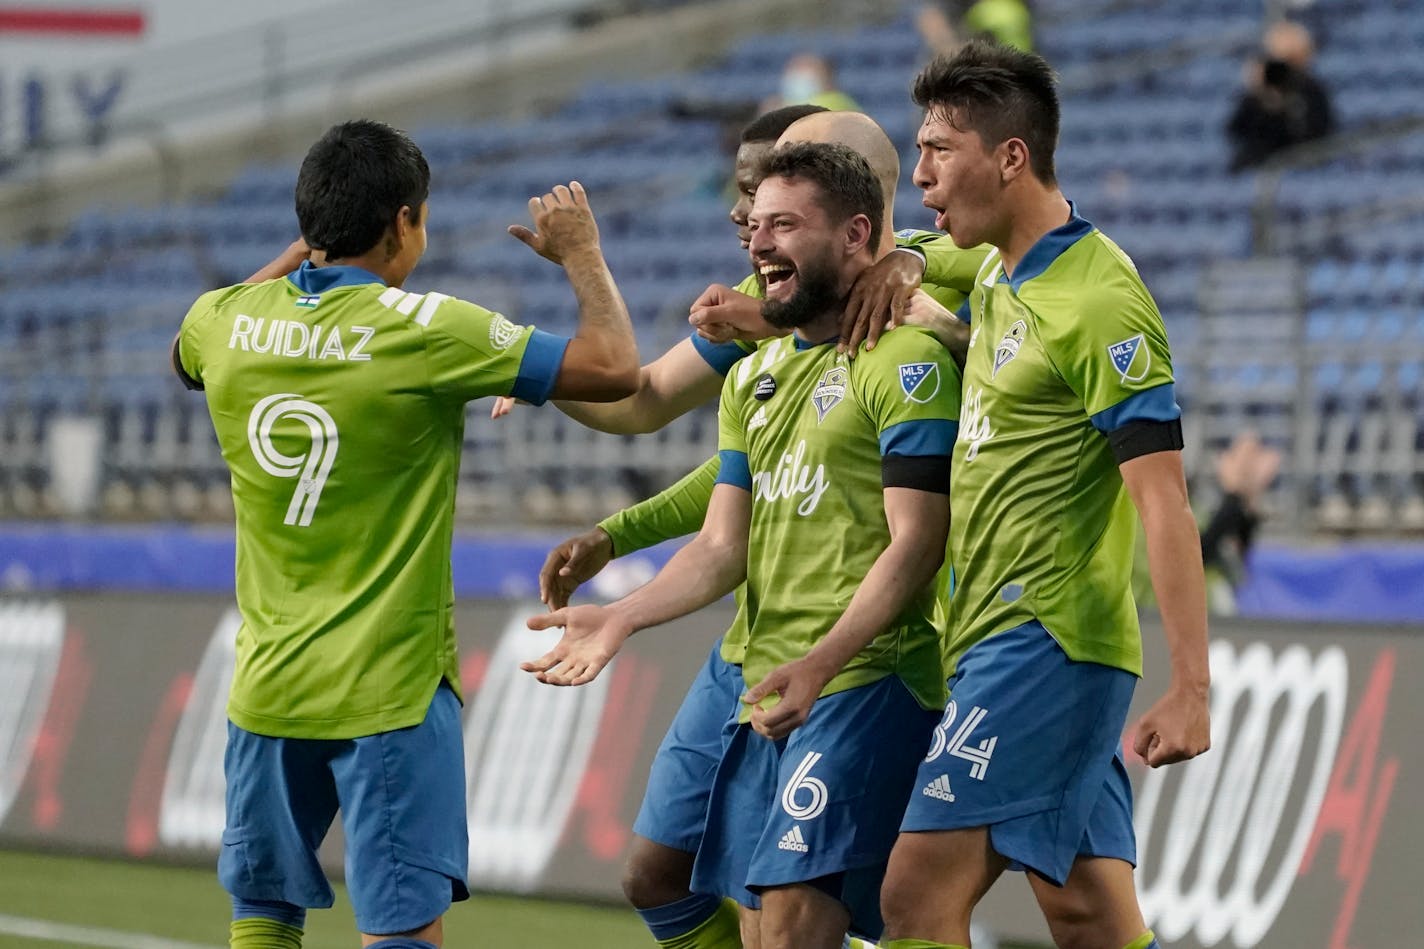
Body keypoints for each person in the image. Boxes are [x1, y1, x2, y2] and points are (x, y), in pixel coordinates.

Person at [171, 119, 639, 949]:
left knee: (263, 917)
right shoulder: (429, 329)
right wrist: (582, 257)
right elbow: (615, 370)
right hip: (387, 691)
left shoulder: (221, 325)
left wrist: (310, 247)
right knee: (399, 932)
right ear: (404, 222)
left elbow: (194, 342)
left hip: (268, 689)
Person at [528, 106, 985, 949]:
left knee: (855, 916)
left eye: (776, 210)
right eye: (749, 204)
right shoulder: (761, 345)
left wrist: (919, 282)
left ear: (858, 222)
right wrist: (621, 596)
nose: (749, 228)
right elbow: (721, 491)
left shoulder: (931, 304)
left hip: (867, 665)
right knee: (696, 891)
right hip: (758, 660)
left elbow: (922, 526)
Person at [878, 42, 1211, 949]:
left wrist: (1193, 686)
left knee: (913, 896)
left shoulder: (1102, 299)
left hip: (1048, 639)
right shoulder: (994, 271)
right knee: (1087, 915)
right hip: (994, 630)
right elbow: (904, 263)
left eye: (940, 151)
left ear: (1011, 157)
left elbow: (1164, 502)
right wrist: (918, 292)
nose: (922, 177)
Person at [1226, 20, 1334, 172]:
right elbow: (1236, 130)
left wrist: (1286, 105)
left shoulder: (1313, 92)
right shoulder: (1257, 95)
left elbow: (1315, 135)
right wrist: (1262, 97)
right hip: (1257, 165)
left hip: (1300, 167)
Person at [764, 53, 861, 114]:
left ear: (827, 76)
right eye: (794, 69)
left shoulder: (835, 101)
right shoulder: (787, 102)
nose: (797, 76)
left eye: (803, 69)